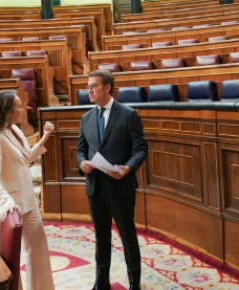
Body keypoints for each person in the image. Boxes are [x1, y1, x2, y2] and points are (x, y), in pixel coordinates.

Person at [76, 70, 148, 290]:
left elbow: (141, 149)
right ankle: (101, 283)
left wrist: (128, 168)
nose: (89, 90)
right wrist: (82, 163)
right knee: (101, 238)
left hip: (120, 187)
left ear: (107, 88)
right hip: (95, 187)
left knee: (127, 237)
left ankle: (134, 284)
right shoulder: (86, 117)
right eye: (87, 86)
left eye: (93, 86)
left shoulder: (128, 115)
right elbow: (81, 151)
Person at [0, 89, 55, 290]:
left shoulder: (15, 129)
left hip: (27, 201)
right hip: (7, 208)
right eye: (18, 106)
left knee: (38, 248)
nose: (23, 109)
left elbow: (27, 157)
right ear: (6, 111)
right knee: (9, 260)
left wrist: (45, 136)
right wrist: (6, 202)